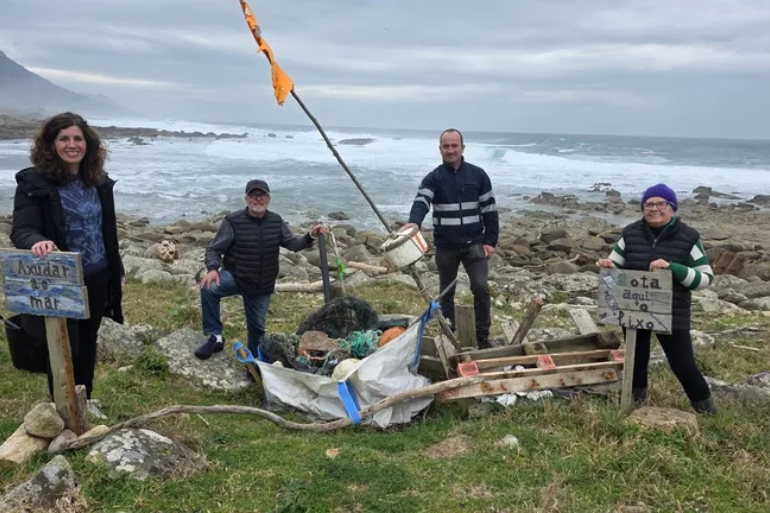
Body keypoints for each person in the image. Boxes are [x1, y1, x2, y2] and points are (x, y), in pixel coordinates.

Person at [11, 112, 125, 400]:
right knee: (62, 344)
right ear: (51, 144)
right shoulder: (34, 182)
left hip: (98, 274)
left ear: (88, 144)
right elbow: (22, 230)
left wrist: (117, 269)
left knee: (87, 340)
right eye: (64, 139)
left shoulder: (97, 181)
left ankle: (85, 399)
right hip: (62, 276)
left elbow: (106, 230)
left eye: (78, 139)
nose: (72, 145)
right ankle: (62, 403)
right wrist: (38, 241)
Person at [596, 183, 717, 414]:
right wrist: (608, 265)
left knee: (683, 364)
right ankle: (636, 405)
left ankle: (707, 411)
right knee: (636, 360)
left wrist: (673, 268)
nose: (654, 208)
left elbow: (705, 279)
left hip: (672, 311)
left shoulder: (689, 237)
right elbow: (615, 264)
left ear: (672, 208)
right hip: (634, 308)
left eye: (661, 203)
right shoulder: (630, 233)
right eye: (649, 204)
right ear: (643, 208)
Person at [195, 179, 328, 360]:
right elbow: (214, 248)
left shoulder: (275, 221)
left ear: (269, 198)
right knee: (209, 287)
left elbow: (293, 243)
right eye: (253, 195)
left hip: (262, 285)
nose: (258, 199)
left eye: (262, 195)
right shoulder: (233, 221)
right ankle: (215, 338)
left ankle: (254, 362)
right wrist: (212, 269)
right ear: (246, 199)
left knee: (257, 330)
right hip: (236, 277)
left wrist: (311, 235)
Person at [403, 128, 499, 349]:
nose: (450, 150)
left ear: (462, 148)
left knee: (481, 288)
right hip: (446, 247)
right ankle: (450, 334)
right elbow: (422, 201)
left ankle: (482, 338)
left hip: (475, 245)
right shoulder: (434, 178)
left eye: (454, 145)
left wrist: (490, 241)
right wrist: (415, 222)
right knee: (446, 292)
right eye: (446, 146)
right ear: (440, 150)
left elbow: (490, 210)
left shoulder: (478, 175)